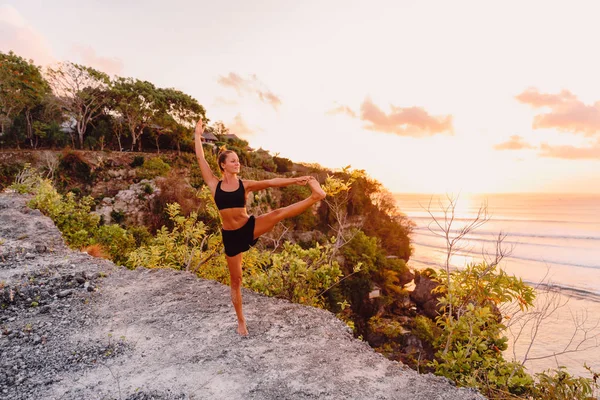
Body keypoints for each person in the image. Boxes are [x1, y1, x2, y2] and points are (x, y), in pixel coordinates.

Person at [194, 119, 326, 335]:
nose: (238, 164)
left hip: (248, 227)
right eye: (233, 161)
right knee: (236, 281)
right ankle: (241, 321)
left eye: (238, 161)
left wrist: (296, 180)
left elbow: (272, 182)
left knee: (277, 213)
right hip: (231, 238)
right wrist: (197, 135)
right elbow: (200, 157)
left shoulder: (245, 185)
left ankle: (315, 196)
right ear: (223, 165)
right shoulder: (213, 185)